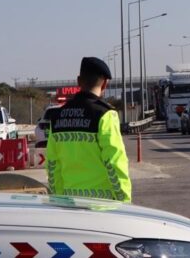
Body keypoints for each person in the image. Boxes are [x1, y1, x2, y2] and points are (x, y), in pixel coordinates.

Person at [45, 57, 132, 202]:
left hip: (69, 205)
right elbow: (115, 162)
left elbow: (52, 165)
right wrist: (125, 202)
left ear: (79, 81)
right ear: (105, 84)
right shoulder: (105, 115)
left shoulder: (57, 116)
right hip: (103, 207)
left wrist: (59, 200)